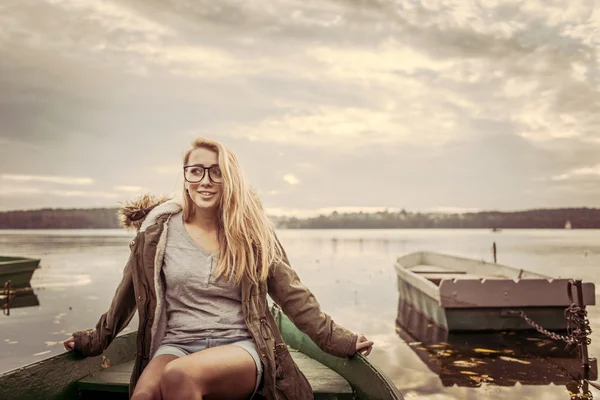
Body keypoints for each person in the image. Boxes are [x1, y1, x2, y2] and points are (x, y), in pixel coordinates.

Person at [63, 138, 374, 400]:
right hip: (176, 344)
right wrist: (95, 340)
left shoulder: (252, 234)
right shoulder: (157, 233)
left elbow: (293, 295)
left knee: (179, 377)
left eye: (216, 172)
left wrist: (340, 340)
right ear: (185, 177)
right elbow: (127, 296)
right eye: (196, 171)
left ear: (229, 179)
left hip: (240, 346)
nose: (205, 180)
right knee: (143, 395)